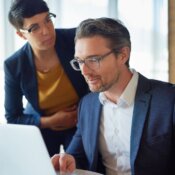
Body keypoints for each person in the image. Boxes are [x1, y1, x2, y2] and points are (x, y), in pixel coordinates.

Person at [51, 17, 175, 175]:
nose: (84, 71)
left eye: (93, 60)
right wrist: (67, 159)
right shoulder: (87, 105)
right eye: (80, 61)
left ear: (123, 55)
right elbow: (78, 155)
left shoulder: (169, 101)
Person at [4, 0, 88, 156]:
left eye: (48, 20)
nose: (46, 31)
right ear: (21, 34)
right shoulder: (14, 65)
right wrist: (52, 121)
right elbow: (13, 117)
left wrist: (83, 113)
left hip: (80, 119)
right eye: (34, 28)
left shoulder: (75, 39)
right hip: (43, 125)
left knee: (82, 163)